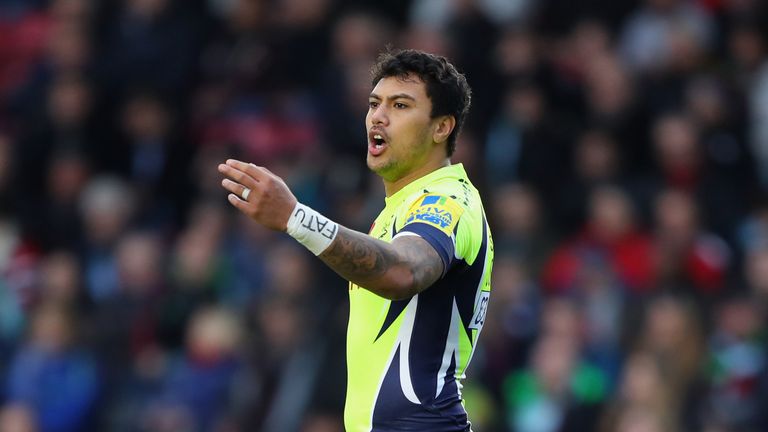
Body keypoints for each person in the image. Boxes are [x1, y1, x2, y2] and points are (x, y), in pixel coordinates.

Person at [218, 49, 494, 431]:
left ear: (441, 127)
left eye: (400, 105)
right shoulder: (397, 211)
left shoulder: (447, 201)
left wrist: (296, 217)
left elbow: (403, 272)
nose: (378, 116)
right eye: (374, 103)